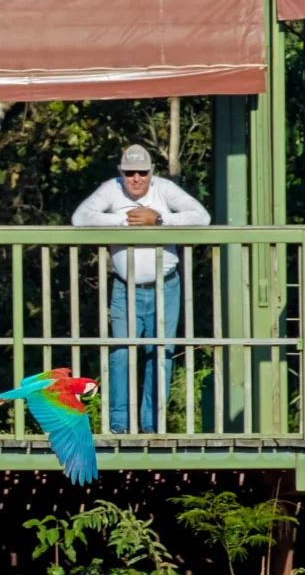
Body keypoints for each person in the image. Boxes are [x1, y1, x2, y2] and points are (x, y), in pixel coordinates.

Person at [71, 144, 210, 434]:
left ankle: (153, 424)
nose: (136, 179)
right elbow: (80, 217)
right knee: (120, 353)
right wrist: (127, 220)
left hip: (166, 287)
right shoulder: (111, 189)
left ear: (151, 173)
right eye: (130, 173)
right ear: (120, 173)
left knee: (160, 354)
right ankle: (119, 424)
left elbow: (201, 217)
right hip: (125, 288)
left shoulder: (165, 189)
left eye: (142, 173)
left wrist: (158, 219)